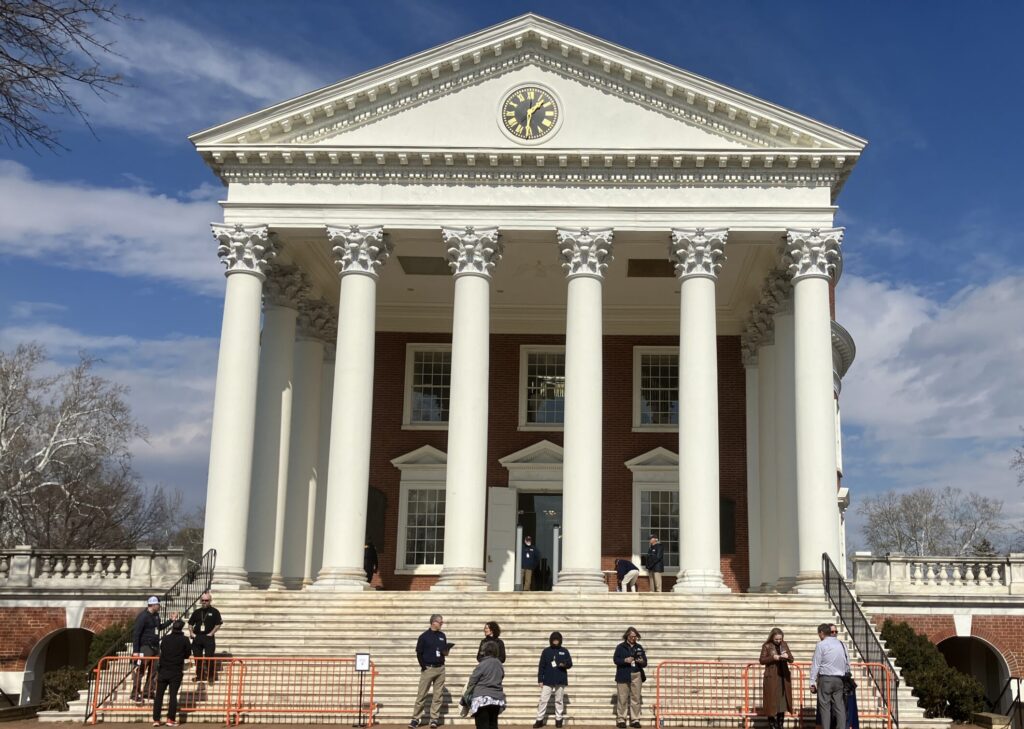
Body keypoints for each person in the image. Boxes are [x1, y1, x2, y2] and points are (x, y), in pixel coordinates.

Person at [131, 596, 177, 702]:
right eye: (158, 604)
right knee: (141, 670)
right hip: (145, 647)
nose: (159, 606)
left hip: (155, 647)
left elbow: (159, 627)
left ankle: (148, 691)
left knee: (154, 670)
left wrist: (170, 621)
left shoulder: (156, 615)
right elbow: (136, 634)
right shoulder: (143, 617)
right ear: (152, 605)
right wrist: (136, 651)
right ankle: (135, 693)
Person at [410, 614, 451, 729]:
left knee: (438, 696)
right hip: (428, 668)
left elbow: (444, 653)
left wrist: (446, 651)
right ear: (434, 622)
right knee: (421, 695)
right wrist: (424, 667)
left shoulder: (442, 636)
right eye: (440, 622)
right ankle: (415, 719)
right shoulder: (424, 636)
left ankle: (434, 719)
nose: (442, 624)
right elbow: (419, 653)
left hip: (440, 668)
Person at [810, 622, 850, 729]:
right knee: (839, 706)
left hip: (826, 678)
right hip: (839, 679)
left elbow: (816, 664)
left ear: (822, 633)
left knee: (825, 707)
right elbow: (847, 662)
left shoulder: (821, 644)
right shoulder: (841, 644)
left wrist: (812, 681)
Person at [152, 620, 190, 727]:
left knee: (159, 696)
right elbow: (187, 654)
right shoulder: (184, 640)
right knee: (173, 695)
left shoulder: (165, 638)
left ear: (173, 627)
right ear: (181, 628)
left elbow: (162, 649)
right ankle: (170, 719)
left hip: (164, 669)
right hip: (176, 670)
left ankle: (156, 719)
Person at [534, 631, 573, 728]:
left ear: (560, 640)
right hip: (548, 679)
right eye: (554, 639)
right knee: (543, 700)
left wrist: (564, 664)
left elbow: (570, 664)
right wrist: (540, 679)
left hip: (560, 679)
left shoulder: (564, 651)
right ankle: (539, 720)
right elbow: (541, 666)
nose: (555, 641)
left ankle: (558, 719)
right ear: (551, 640)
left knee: (559, 700)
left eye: (557, 639)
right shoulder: (546, 651)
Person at [464, 641, 506, 729]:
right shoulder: (499, 664)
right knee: (493, 724)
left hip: (481, 699)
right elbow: (501, 677)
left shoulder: (482, 664)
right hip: (496, 698)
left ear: (485, 651)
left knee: (482, 725)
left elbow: (473, 680)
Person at [759, 628, 794, 729]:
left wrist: (787, 656)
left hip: (783, 677)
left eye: (780, 639)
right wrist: (773, 657)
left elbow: (791, 659)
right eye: (776, 639)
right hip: (771, 677)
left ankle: (780, 725)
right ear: (772, 637)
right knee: (771, 701)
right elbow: (761, 660)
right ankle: (772, 724)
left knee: (782, 702)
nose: (779, 641)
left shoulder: (784, 644)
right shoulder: (767, 646)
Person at [613, 626, 647, 728]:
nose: (633, 638)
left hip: (636, 674)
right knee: (622, 698)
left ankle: (635, 719)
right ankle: (621, 719)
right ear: (627, 636)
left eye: (635, 636)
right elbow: (615, 660)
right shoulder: (620, 647)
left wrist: (641, 661)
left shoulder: (639, 647)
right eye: (632, 636)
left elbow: (645, 662)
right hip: (623, 674)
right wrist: (625, 660)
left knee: (635, 698)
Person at [187, 592, 222, 682]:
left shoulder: (215, 611)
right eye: (202, 600)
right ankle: (200, 675)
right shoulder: (197, 612)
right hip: (197, 637)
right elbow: (190, 624)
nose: (204, 602)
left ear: (210, 601)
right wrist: (191, 633)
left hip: (208, 637)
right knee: (197, 658)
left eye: (206, 600)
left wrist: (211, 633)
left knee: (209, 656)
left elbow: (218, 624)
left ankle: (211, 676)